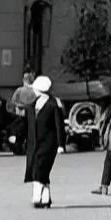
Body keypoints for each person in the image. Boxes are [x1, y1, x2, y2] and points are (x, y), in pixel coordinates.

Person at [22, 75, 64, 208]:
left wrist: (61, 144)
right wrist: (18, 137)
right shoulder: (31, 105)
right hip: (33, 143)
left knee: (39, 169)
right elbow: (25, 124)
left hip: (48, 144)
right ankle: (46, 199)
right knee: (40, 170)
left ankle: (36, 197)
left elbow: (59, 126)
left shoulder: (53, 105)